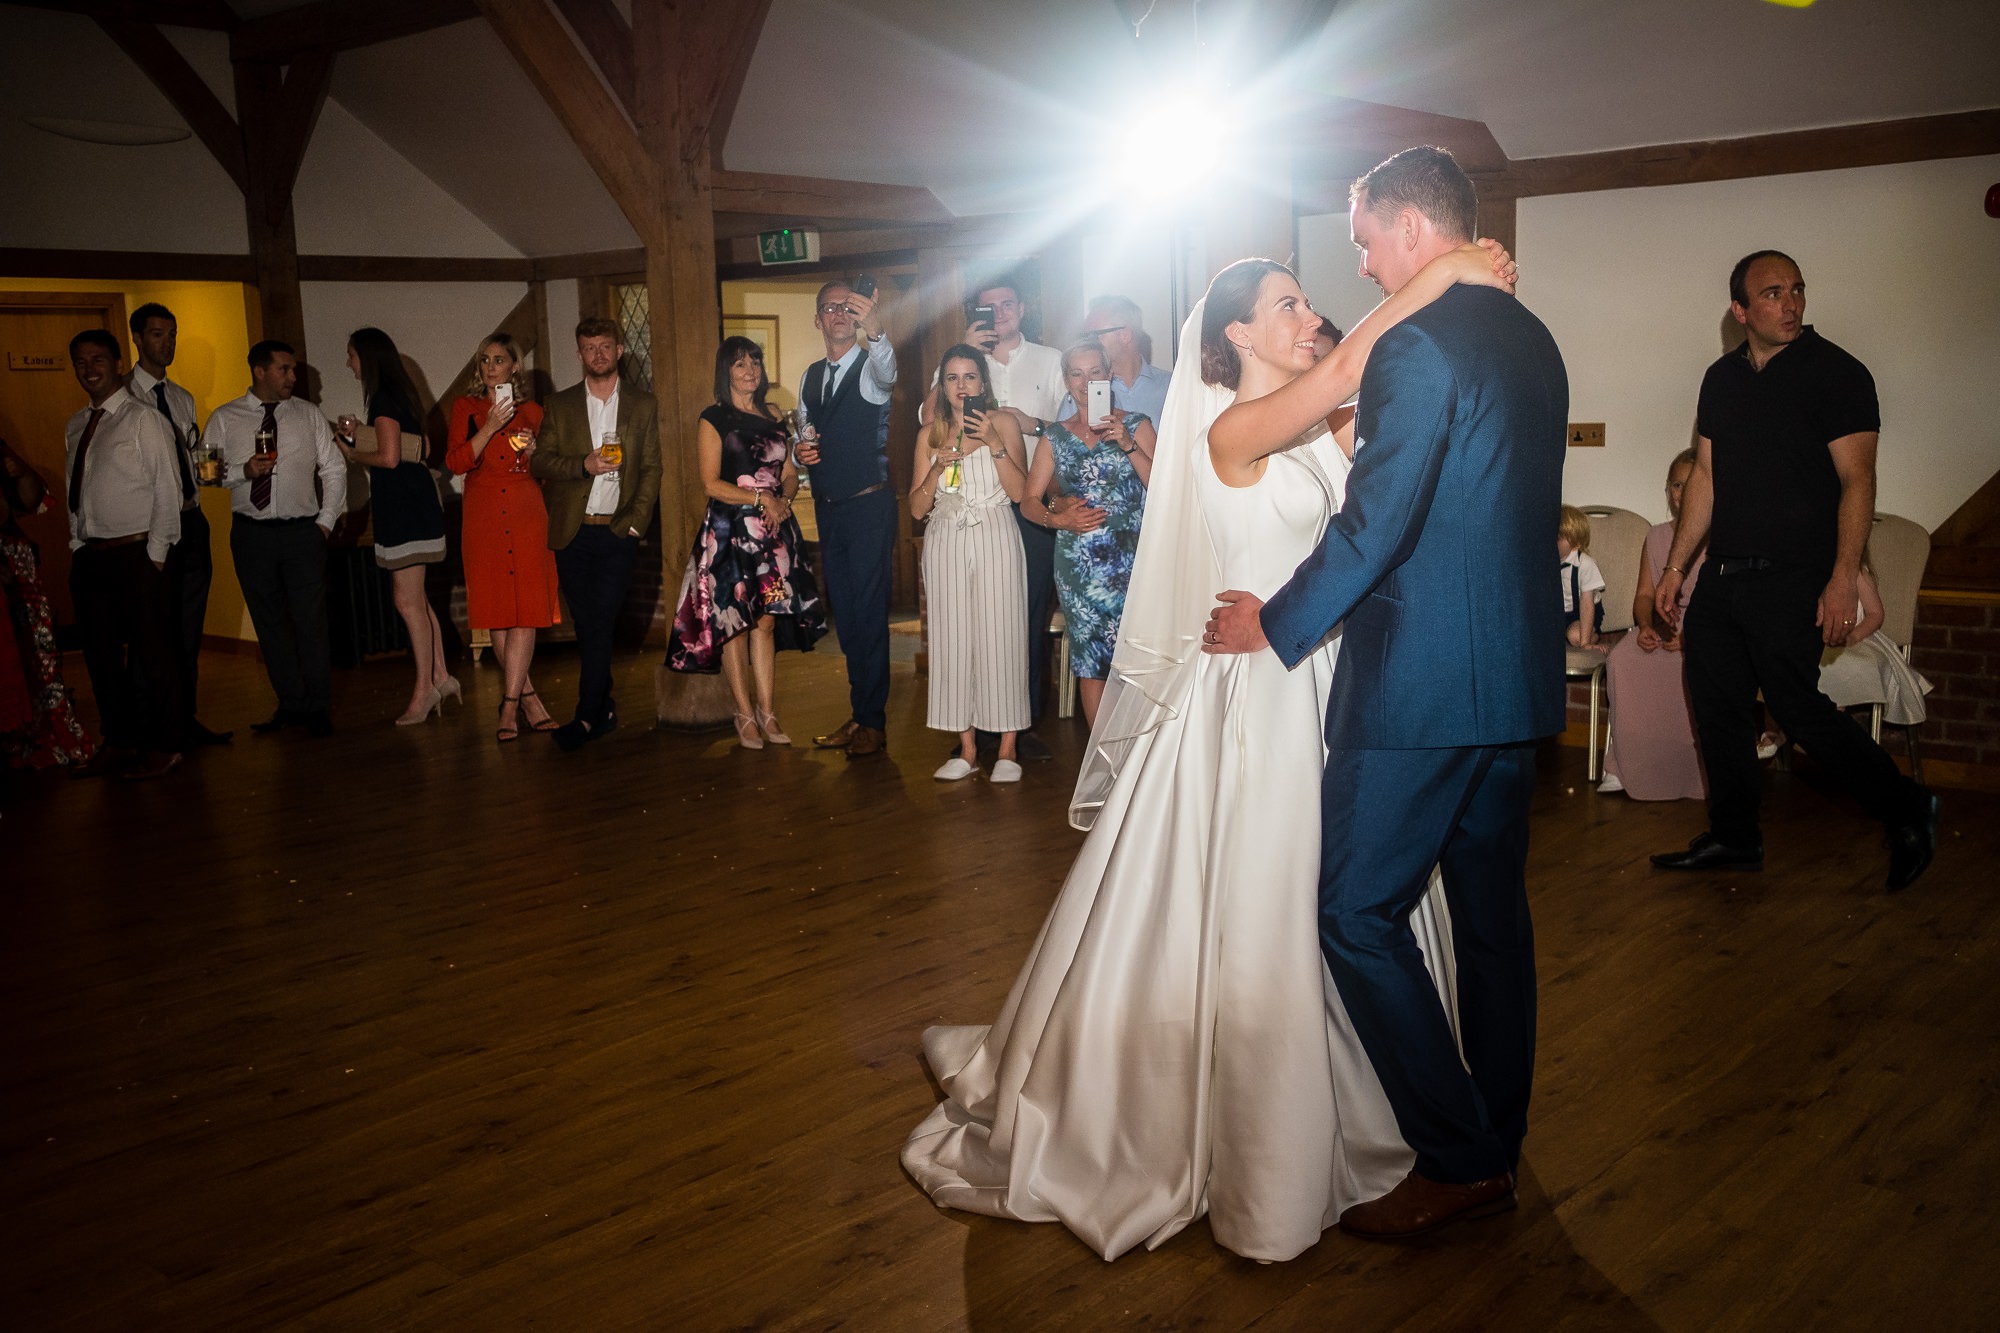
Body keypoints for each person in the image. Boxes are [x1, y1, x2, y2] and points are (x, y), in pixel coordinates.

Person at [903, 230, 1518, 1259]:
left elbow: (1366, 510)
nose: (1301, 311)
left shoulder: (1324, 425)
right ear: (1234, 334)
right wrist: (1435, 275)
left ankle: (1402, 1101)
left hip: (1327, 679)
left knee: (1348, 892)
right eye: (1280, 302)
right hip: (1251, 695)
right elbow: (1340, 367)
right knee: (1257, 895)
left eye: (1298, 299)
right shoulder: (1231, 430)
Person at [1207, 145, 1567, 1241]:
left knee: (1352, 912)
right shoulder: (1529, 336)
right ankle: (1495, 1138)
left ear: (1411, 230)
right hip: (1510, 681)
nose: (1362, 266)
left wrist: (1271, 626)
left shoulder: (1414, 345)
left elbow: (1376, 528)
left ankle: (1455, 1158)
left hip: (1419, 688)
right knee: (1493, 923)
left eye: (1363, 241)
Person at [1650, 250, 1938, 890]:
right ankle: (1734, 836)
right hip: (1723, 574)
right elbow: (1706, 478)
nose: (1791, 305)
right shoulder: (1721, 380)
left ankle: (1905, 806)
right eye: (1773, 294)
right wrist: (1676, 566)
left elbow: (1858, 482)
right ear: (1741, 310)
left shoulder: (1838, 374)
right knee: (1719, 708)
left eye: (1797, 291)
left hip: (1794, 576)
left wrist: (1842, 577)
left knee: (1796, 708)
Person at [666, 336, 824, 748]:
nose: (750, 370)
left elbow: (788, 471)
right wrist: (760, 498)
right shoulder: (713, 418)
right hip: (730, 529)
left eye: (755, 362)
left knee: (768, 619)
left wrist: (783, 500)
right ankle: (742, 712)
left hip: (774, 530)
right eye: (740, 364)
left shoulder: (774, 414)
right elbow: (710, 482)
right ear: (726, 372)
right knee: (736, 618)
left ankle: (767, 712)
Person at [530, 316, 662, 752]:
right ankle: (603, 709)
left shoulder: (643, 404)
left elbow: (650, 469)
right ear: (579, 354)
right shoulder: (561, 404)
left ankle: (587, 716)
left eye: (606, 347)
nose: (598, 355)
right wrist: (581, 466)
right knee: (589, 625)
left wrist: (636, 524)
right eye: (590, 348)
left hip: (617, 531)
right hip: (572, 532)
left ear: (619, 350)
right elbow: (541, 462)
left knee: (600, 619)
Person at [61, 329, 184, 780]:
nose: (88, 368)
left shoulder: (143, 420)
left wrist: (154, 557)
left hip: (138, 554)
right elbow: (78, 489)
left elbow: (167, 491)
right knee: (101, 657)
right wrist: (77, 543)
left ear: (118, 363)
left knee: (154, 657)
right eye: (79, 361)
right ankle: (120, 740)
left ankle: (167, 744)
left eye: (97, 359)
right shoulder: (76, 424)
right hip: (92, 558)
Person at [209, 340, 346, 738]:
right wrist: (243, 472)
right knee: (269, 624)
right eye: (284, 369)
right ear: (260, 371)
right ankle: (290, 704)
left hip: (303, 532)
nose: (292, 377)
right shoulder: (225, 417)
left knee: (311, 623)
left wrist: (324, 522)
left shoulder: (308, 414)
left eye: (293, 370)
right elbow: (205, 473)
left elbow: (334, 469)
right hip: (251, 535)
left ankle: (319, 708)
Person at [909, 345, 1032, 782]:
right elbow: (916, 509)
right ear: (942, 387)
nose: (962, 387)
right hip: (946, 537)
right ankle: (965, 748)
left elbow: (1020, 495)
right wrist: (934, 472)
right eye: (953, 379)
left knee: (1003, 634)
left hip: (996, 530)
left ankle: (1008, 749)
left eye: (970, 378)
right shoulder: (929, 433)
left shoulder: (1003, 423)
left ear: (984, 383)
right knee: (952, 638)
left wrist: (996, 445)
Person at [1020, 338, 1155, 726]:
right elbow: (1030, 500)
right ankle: (1102, 767)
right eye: (1076, 373)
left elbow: (1167, 487)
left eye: (1094, 371)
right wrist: (1057, 519)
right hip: (1078, 565)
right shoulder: (1054, 437)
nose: (1085, 381)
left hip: (1135, 559)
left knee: (1137, 654)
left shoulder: (1136, 424)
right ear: (1066, 380)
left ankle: (1140, 757)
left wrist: (1128, 444)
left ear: (1109, 375)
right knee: (1091, 658)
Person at [334, 327, 457, 725]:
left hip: (405, 509)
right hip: (413, 504)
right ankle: (440, 676)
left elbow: (388, 458)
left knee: (406, 601)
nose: (348, 363)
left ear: (366, 358)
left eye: (351, 355)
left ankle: (424, 691)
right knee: (415, 599)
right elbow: (413, 447)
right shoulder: (399, 395)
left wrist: (351, 451)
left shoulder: (384, 399)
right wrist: (362, 435)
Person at [796, 279, 897, 759]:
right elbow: (804, 438)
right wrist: (800, 454)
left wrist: (875, 330)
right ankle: (860, 716)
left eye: (845, 307)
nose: (837, 313)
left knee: (869, 615)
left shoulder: (871, 367)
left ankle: (873, 723)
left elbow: (887, 370)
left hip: (868, 505)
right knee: (848, 618)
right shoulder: (810, 376)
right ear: (817, 320)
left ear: (856, 317)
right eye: (828, 308)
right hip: (829, 508)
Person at [445, 332, 562, 742]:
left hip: (528, 511)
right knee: (497, 609)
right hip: (483, 514)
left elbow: (548, 471)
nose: (490, 366)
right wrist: (489, 426)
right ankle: (526, 700)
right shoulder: (467, 407)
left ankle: (509, 706)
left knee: (527, 609)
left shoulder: (533, 411)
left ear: (515, 365)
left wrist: (533, 453)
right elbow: (456, 461)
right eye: (484, 360)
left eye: (499, 360)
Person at [127, 302, 228, 746]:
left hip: (191, 518)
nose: (165, 343)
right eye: (156, 334)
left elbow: (196, 456)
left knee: (189, 629)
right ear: (137, 339)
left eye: (171, 334)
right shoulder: (126, 397)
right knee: (151, 629)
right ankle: (147, 727)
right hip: (148, 526)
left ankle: (184, 720)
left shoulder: (182, 397)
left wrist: (212, 468)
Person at [1598, 449, 1707, 800]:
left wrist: (1692, 637)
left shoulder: (1722, 537)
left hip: (1707, 625)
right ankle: (1623, 766)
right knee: (1623, 659)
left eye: (1690, 485)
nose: (1681, 493)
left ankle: (1696, 772)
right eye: (1676, 485)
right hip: (1664, 620)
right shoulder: (1657, 535)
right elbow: (1644, 595)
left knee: (1697, 665)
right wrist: (1645, 625)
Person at [0, 438, 96, 769]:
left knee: (34, 656)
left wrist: (17, 470)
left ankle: (25, 734)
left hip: (11, 558)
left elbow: (30, 498)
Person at [1054, 295, 1172, 428]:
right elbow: (1061, 444)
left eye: (1094, 335)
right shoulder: (1082, 391)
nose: (1087, 342)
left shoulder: (1170, 386)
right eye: (1085, 336)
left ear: (1125, 335)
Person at [1559, 504, 1606, 649]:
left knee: (1575, 637)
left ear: (1576, 542)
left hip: (1584, 613)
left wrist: (1585, 642)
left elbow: (1587, 604)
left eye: (1560, 538)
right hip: (1560, 613)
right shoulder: (1547, 562)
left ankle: (1593, 635)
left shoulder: (1585, 564)